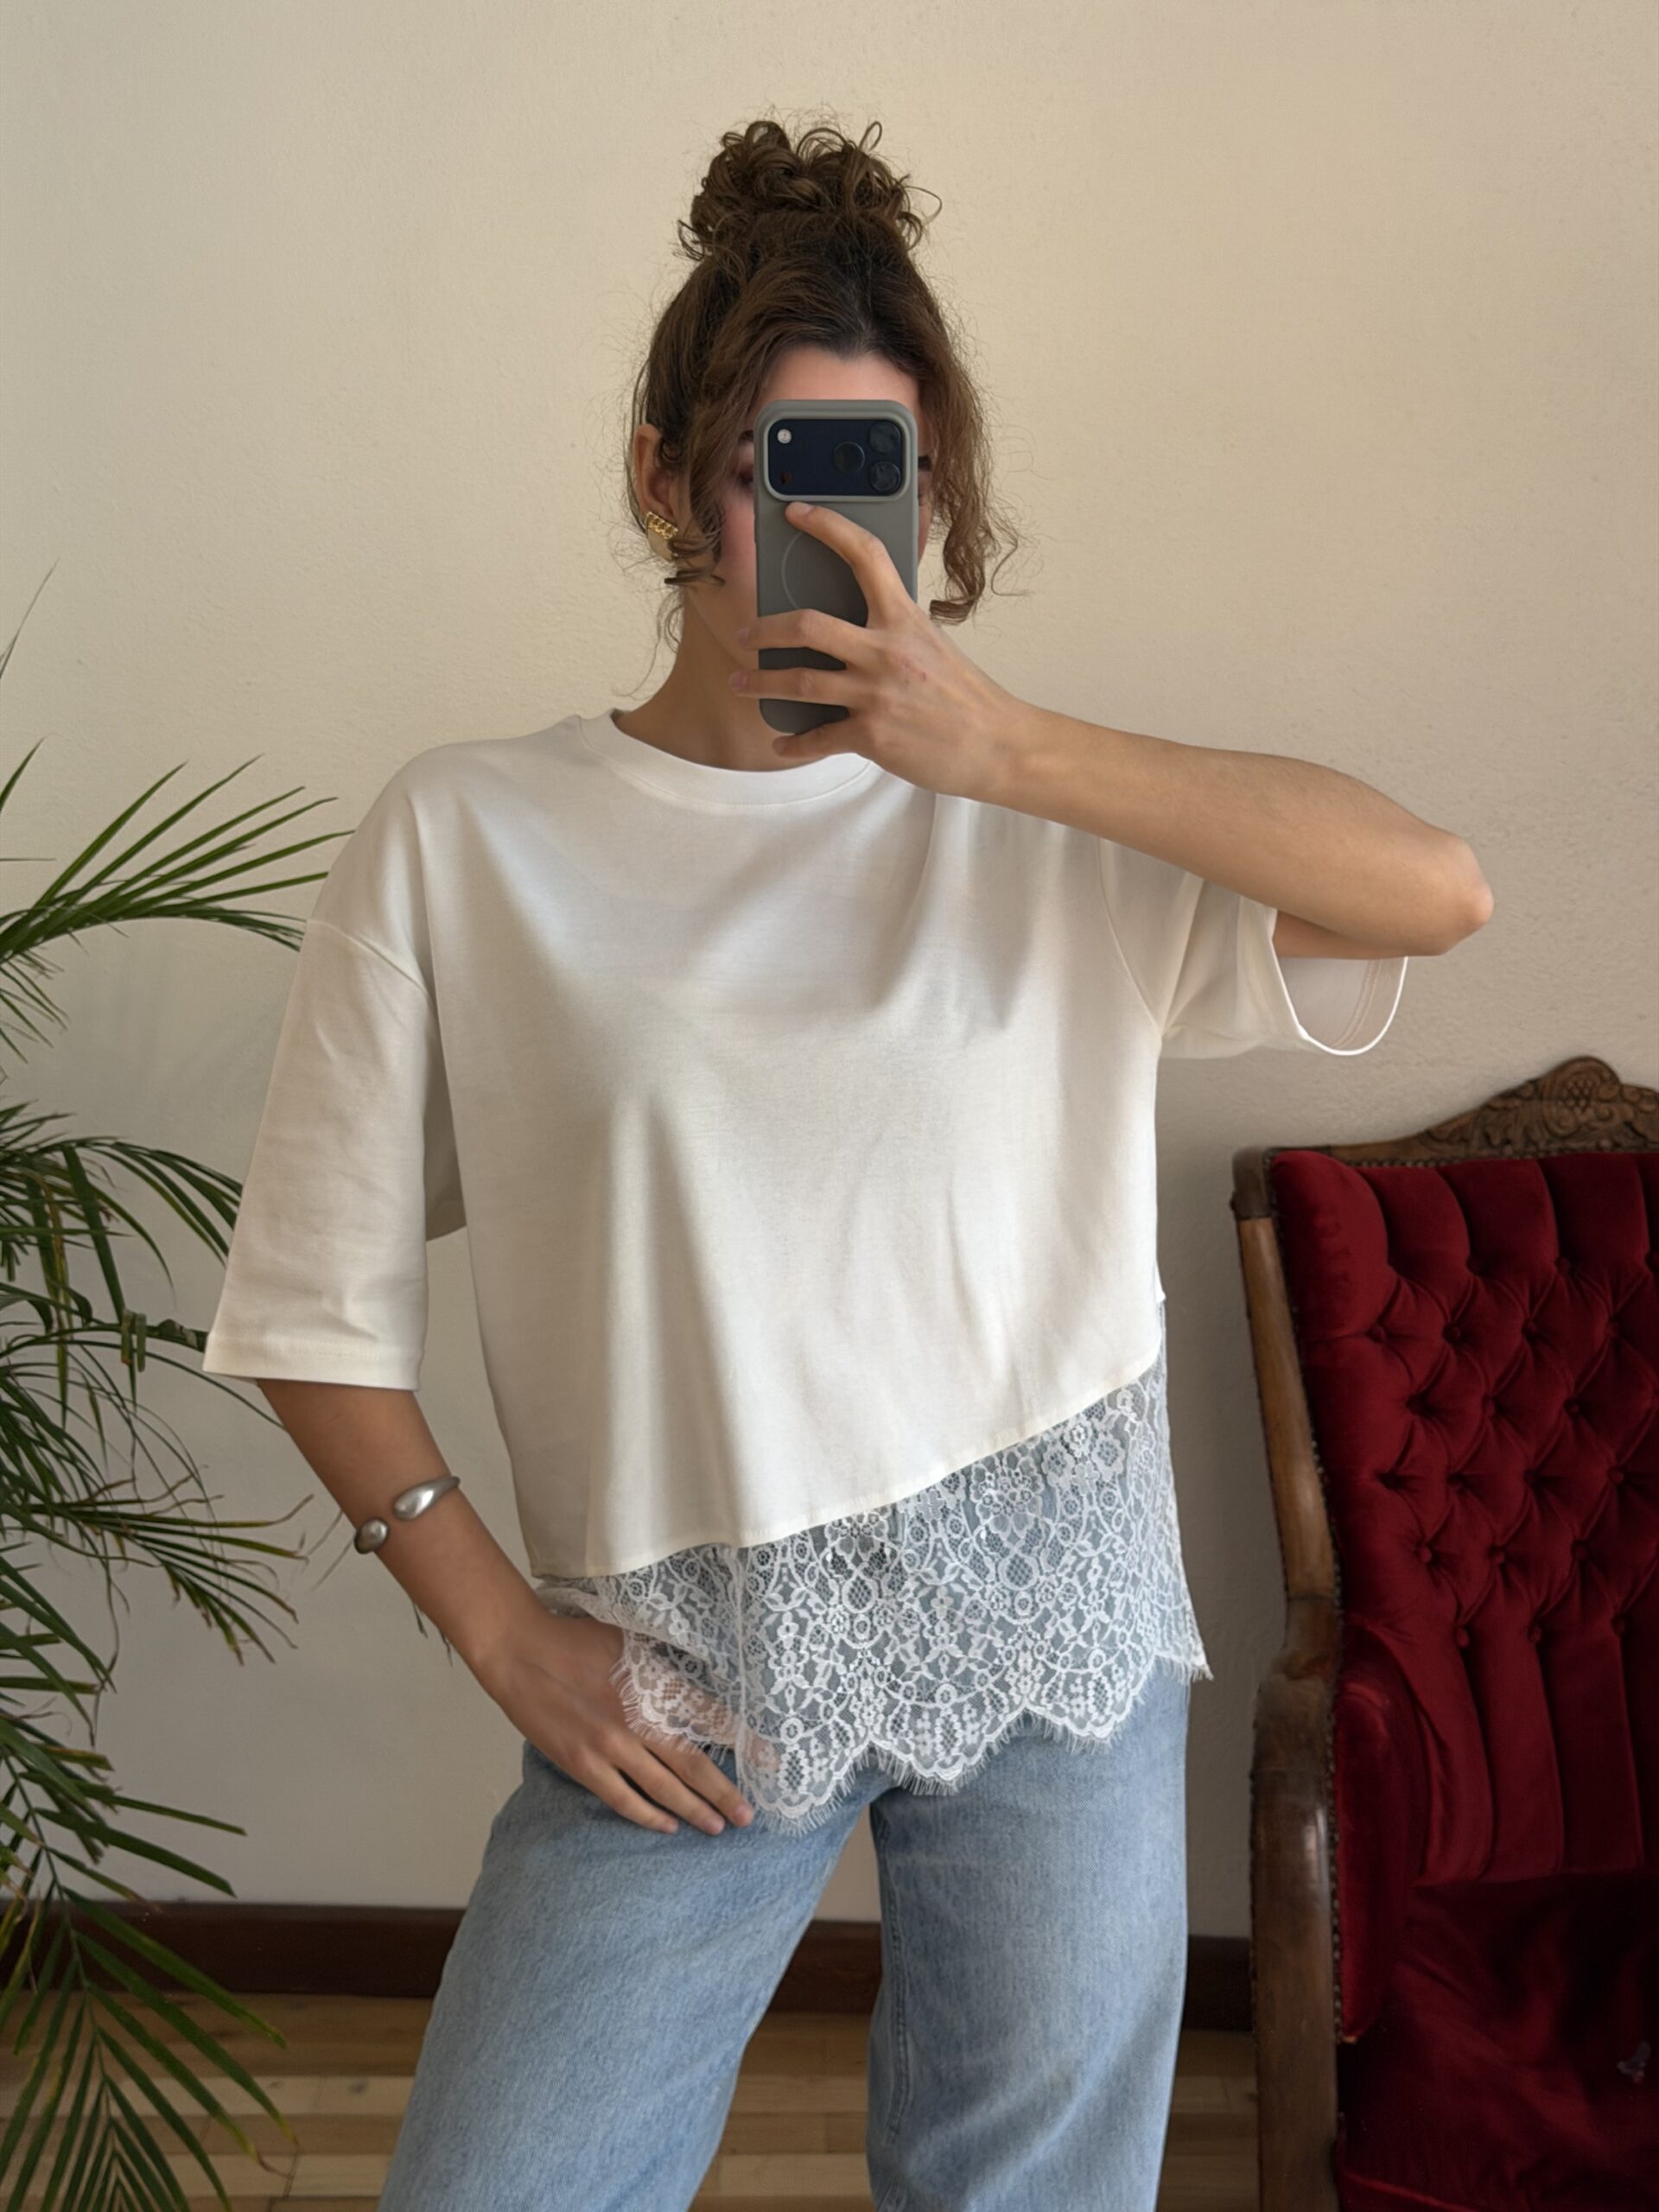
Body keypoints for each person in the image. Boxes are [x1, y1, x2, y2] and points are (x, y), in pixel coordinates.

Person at [201, 114, 1484, 2212]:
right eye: (770, 472)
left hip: (1053, 1620)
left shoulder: (1040, 817)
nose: (824, 532)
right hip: (690, 1668)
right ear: (659, 478)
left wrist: (1007, 749)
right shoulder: (467, 838)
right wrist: (502, 1631)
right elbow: (310, 1301)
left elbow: (1436, 889)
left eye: (875, 476)